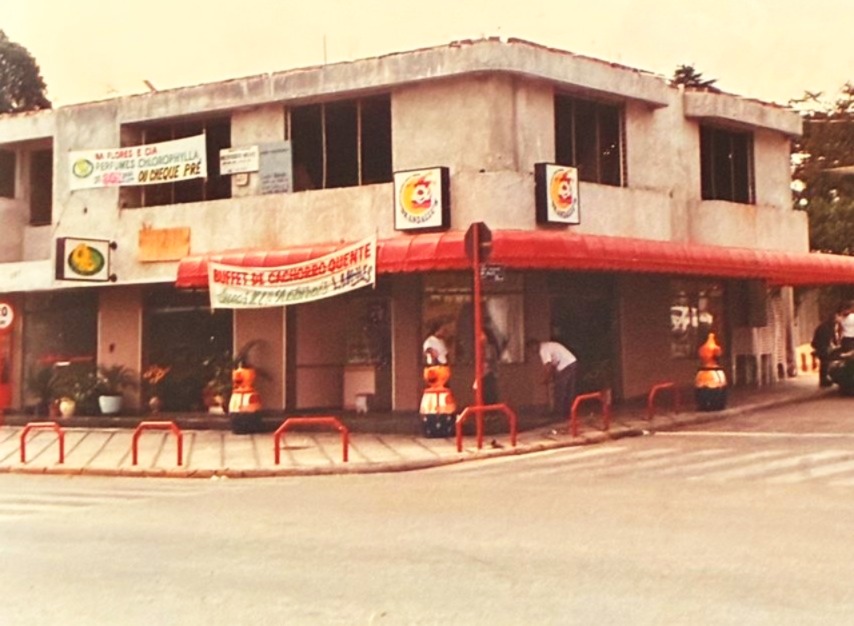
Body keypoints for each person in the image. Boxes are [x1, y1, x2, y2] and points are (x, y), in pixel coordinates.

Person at [527, 338, 578, 418]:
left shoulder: (543, 350)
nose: (532, 351)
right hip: (572, 362)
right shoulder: (548, 346)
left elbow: (548, 366)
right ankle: (569, 412)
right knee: (568, 390)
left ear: (535, 345)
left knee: (560, 390)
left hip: (566, 366)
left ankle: (559, 414)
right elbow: (553, 365)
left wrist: (546, 379)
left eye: (531, 348)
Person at [812, 308, 842, 388]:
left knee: (824, 363)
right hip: (822, 346)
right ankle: (823, 380)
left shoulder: (825, 325)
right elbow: (831, 338)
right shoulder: (828, 326)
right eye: (836, 318)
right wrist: (836, 344)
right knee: (825, 363)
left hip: (820, 345)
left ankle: (824, 380)